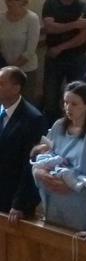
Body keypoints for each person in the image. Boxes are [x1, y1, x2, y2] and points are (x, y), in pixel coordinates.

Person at [34, 81, 86, 231]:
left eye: (74, 104)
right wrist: (41, 173)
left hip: (82, 206)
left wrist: (74, 185)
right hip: (54, 201)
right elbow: (45, 155)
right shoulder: (58, 126)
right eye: (66, 102)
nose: (68, 107)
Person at [0, 67, 48, 221]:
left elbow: (31, 163)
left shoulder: (33, 119)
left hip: (12, 200)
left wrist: (19, 203)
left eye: (1, 83)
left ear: (16, 88)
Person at [0, 0, 40, 95]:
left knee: (25, 102)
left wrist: (10, 70)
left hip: (26, 71)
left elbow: (29, 52)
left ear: (23, 0)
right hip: (5, 70)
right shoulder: (1, 18)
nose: (10, 3)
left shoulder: (32, 18)